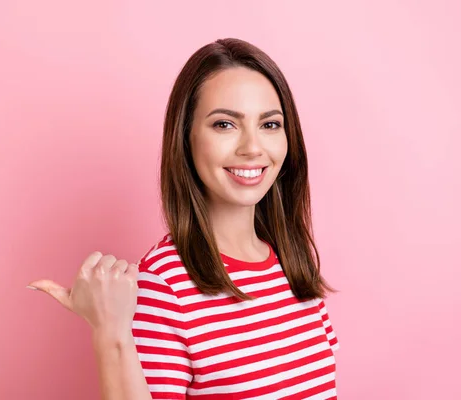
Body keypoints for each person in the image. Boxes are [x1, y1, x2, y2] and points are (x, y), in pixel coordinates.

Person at [27, 37, 340, 400]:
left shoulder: (294, 265)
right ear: (186, 139)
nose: (253, 148)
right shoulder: (164, 285)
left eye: (269, 125)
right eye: (225, 124)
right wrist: (111, 331)